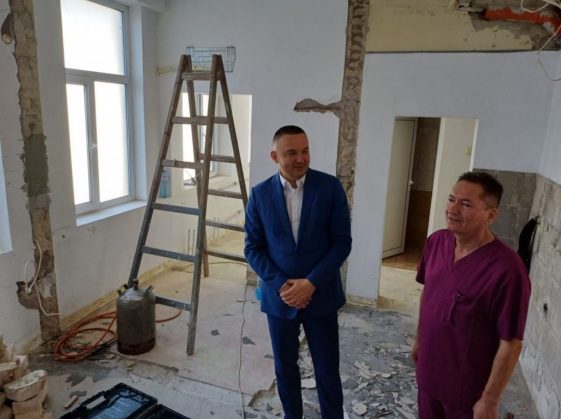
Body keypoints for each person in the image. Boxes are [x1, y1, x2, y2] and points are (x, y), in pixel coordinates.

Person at [244, 125, 352, 419]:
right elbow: (252, 248)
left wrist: (311, 283)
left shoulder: (329, 188)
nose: (300, 159)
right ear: (274, 156)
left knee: (327, 369)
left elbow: (342, 242)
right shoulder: (260, 194)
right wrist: (283, 286)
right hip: (280, 300)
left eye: (305, 151)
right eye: (291, 153)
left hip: (322, 295)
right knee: (285, 368)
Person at [412, 171, 532, 419]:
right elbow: (429, 293)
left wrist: (489, 400)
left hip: (466, 392)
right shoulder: (436, 242)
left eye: (466, 204)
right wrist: (419, 339)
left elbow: (511, 343)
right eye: (451, 199)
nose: (452, 209)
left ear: (491, 215)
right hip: (429, 377)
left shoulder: (507, 270)